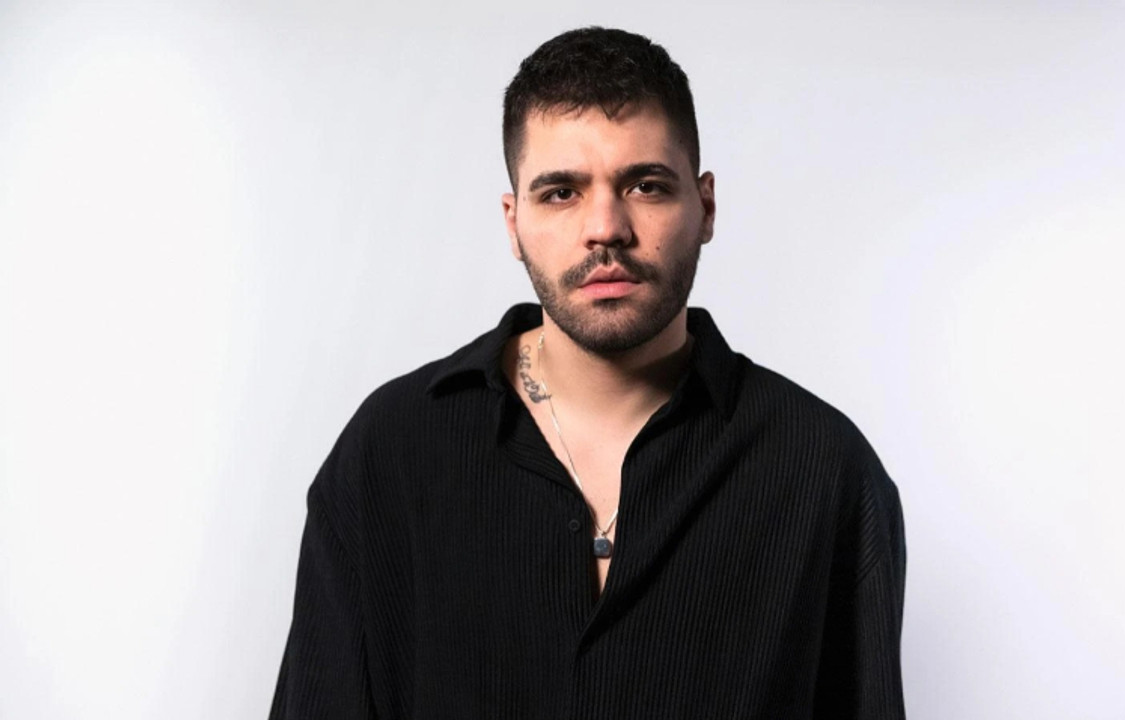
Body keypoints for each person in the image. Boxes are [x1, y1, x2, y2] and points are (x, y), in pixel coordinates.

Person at [269, 26, 906, 719]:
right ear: (513, 222)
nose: (606, 227)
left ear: (705, 207)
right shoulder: (390, 449)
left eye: (646, 185)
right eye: (561, 193)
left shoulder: (824, 469)